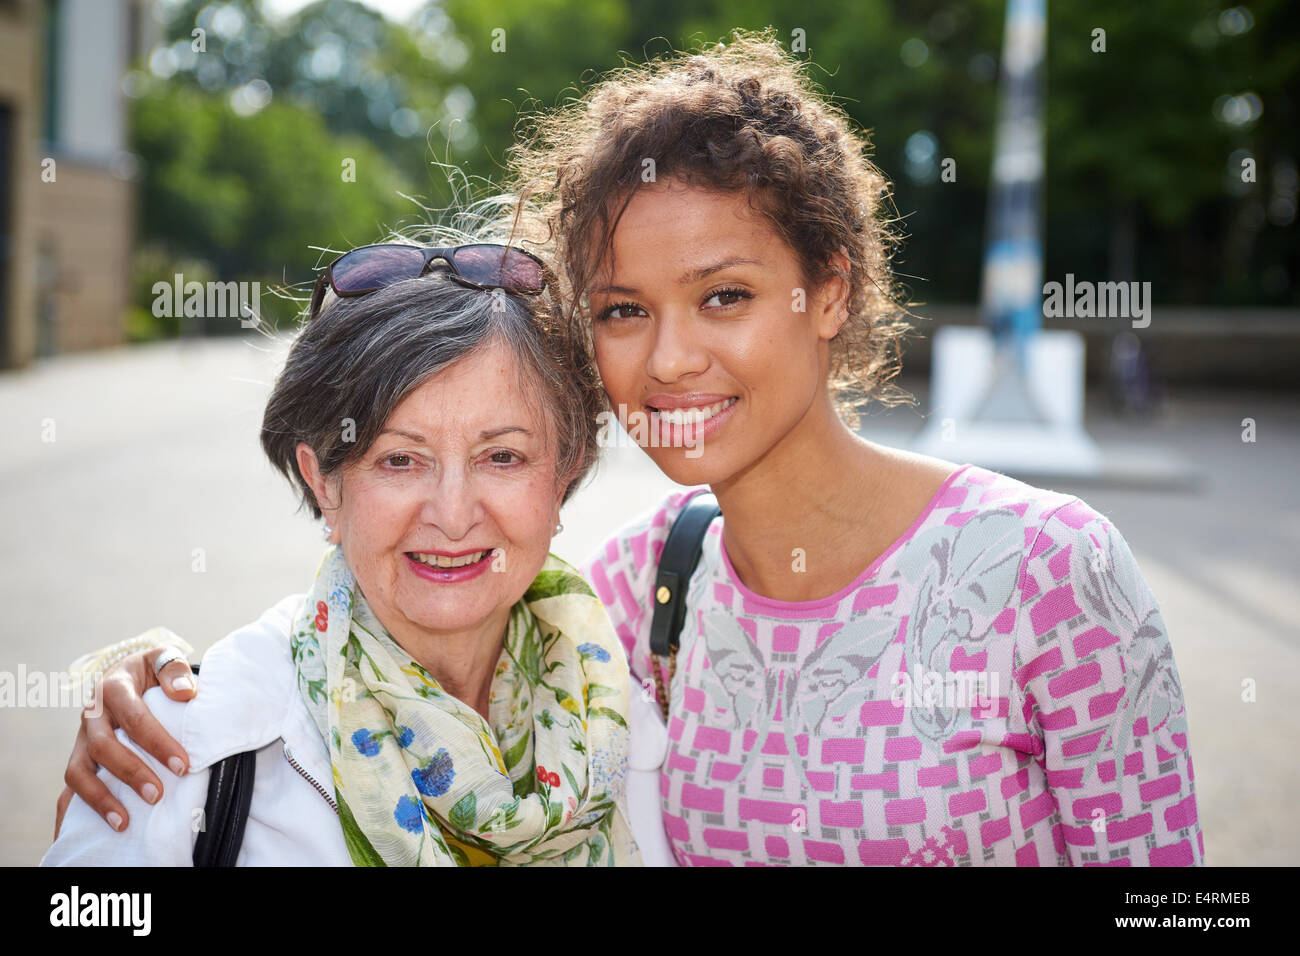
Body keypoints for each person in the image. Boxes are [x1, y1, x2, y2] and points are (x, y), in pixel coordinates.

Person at [55, 32, 1202, 866]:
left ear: (828, 288)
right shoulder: (633, 599)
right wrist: (166, 679)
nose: (667, 360)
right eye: (620, 310)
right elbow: (397, 608)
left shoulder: (1051, 573)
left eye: (724, 295)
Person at [43, 233, 644, 866]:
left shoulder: (631, 704)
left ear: (566, 470)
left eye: (502, 457)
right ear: (323, 482)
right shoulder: (182, 743)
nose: (453, 514)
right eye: (399, 460)